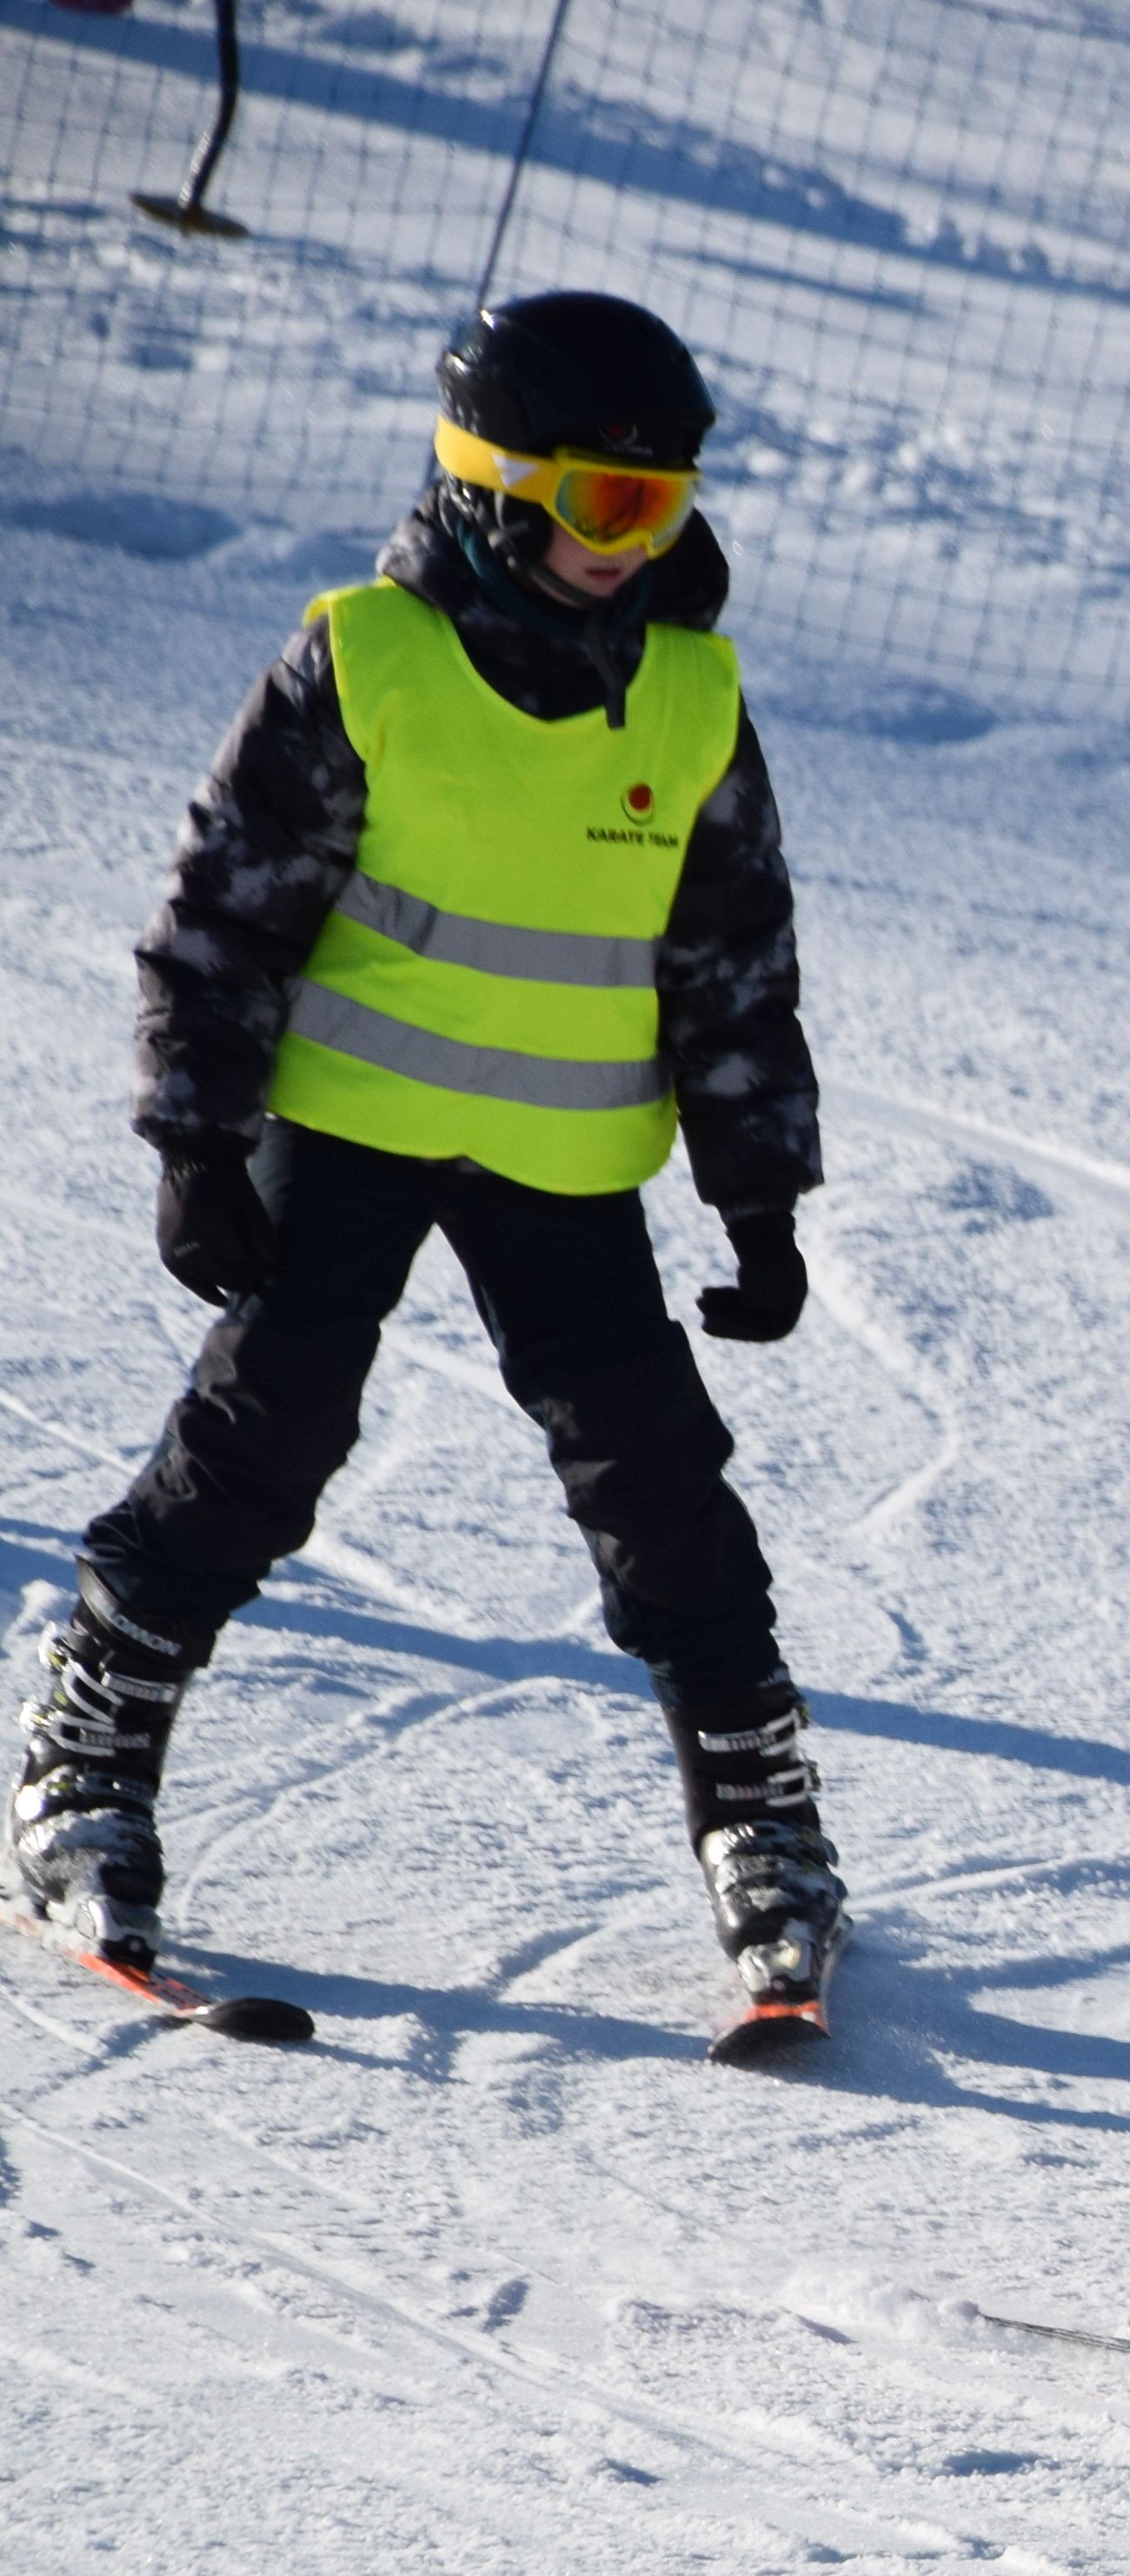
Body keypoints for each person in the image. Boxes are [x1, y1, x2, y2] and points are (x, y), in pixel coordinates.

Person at [13, 290, 843, 2031]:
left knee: (655, 1475)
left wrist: (757, 1192)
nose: (632, 545)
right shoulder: (369, 659)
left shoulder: (689, 695)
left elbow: (731, 961)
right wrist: (196, 1138)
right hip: (346, 1130)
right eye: (603, 502)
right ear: (490, 482)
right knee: (263, 1434)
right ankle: (90, 1747)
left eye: (664, 507)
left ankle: (759, 1809)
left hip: (561, 1160)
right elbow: (225, 912)